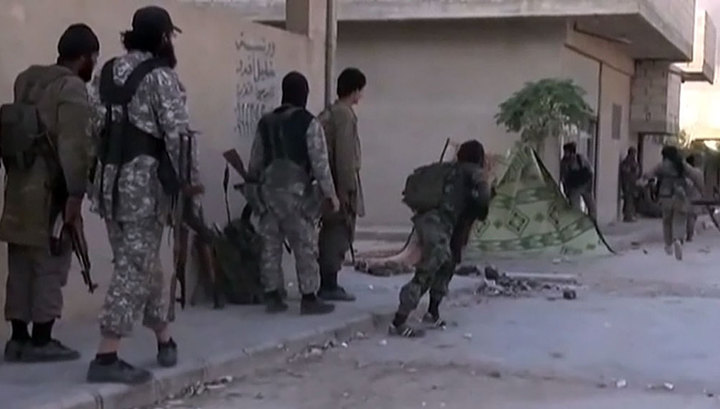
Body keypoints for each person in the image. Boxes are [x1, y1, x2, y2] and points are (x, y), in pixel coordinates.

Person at [86, 6, 200, 384]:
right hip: (144, 187)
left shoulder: (106, 72)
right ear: (164, 37)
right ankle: (107, 355)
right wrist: (190, 185)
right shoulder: (161, 77)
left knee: (142, 261)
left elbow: (92, 127)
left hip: (110, 185)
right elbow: (178, 137)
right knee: (134, 266)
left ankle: (164, 337)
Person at [0, 24, 98, 363]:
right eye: (93, 58)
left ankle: (18, 339)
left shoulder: (27, 79)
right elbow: (74, 146)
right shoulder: (71, 88)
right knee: (50, 261)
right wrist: (75, 195)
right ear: (84, 58)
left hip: (18, 185)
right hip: (50, 190)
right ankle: (42, 339)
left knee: (20, 261)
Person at [248, 71, 340, 316]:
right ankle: (309, 298)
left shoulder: (265, 122)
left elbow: (255, 162)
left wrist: (255, 190)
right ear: (305, 95)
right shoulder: (309, 123)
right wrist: (330, 195)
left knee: (270, 246)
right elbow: (320, 164)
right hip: (296, 194)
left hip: (268, 194)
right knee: (304, 245)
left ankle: (272, 296)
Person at [389, 140, 491, 337]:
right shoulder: (473, 172)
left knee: (447, 264)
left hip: (433, 222)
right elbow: (483, 197)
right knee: (429, 269)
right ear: (479, 157)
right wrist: (481, 209)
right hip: (438, 223)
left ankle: (432, 313)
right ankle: (398, 322)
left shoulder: (448, 170)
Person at [317, 68, 367, 302]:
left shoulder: (331, 112)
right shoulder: (344, 115)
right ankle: (329, 284)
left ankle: (328, 281)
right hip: (339, 185)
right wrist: (346, 191)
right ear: (354, 90)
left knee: (332, 231)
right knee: (338, 232)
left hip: (329, 183)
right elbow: (345, 156)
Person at [644, 146, 702, 260]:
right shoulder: (682, 164)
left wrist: (642, 180)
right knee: (679, 220)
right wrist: (700, 187)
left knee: (667, 221)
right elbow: (695, 175)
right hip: (680, 195)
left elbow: (650, 174)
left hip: (666, 196)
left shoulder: (662, 165)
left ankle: (668, 244)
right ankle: (677, 240)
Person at [560, 142, 596, 218]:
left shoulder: (580, 159)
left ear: (572, 152)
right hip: (574, 188)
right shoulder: (564, 163)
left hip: (584, 186)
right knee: (576, 209)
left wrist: (589, 186)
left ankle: (593, 221)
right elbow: (563, 178)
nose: (565, 154)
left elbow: (590, 171)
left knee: (592, 207)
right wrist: (566, 191)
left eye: (567, 152)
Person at [685, 154, 704, 242]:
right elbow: (701, 185)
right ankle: (689, 235)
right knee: (692, 216)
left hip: (684, 195)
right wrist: (702, 193)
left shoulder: (683, 172)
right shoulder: (698, 172)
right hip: (695, 195)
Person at [619, 147, 641, 222]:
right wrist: (632, 170)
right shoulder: (626, 162)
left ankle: (630, 215)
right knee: (628, 200)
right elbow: (625, 170)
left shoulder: (633, 161)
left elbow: (637, 170)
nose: (634, 154)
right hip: (628, 183)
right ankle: (627, 216)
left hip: (632, 183)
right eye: (633, 153)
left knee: (631, 200)